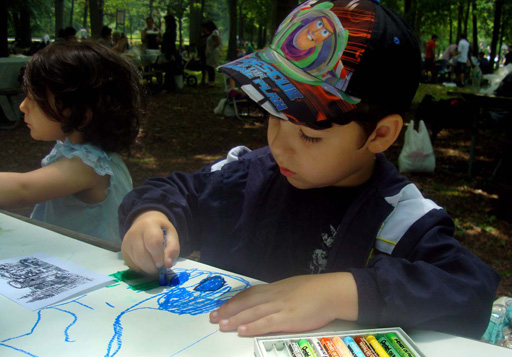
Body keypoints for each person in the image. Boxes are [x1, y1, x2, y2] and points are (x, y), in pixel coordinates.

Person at [118, 0, 499, 339]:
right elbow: (176, 191)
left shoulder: (397, 220)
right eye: (271, 117)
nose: (279, 145)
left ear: (380, 135)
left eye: (308, 135)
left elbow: (470, 289)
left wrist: (340, 293)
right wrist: (152, 217)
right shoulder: (247, 175)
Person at [0, 42, 143, 244]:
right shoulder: (79, 153)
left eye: (34, 98)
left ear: (80, 114)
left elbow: (23, 189)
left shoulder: (90, 166)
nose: (23, 106)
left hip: (91, 270)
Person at [204, 21, 221, 87]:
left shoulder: (215, 32)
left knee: (211, 67)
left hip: (212, 52)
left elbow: (218, 41)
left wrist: (212, 47)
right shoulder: (212, 33)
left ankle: (212, 81)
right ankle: (210, 80)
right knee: (209, 66)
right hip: (210, 52)